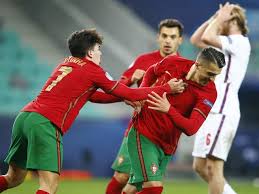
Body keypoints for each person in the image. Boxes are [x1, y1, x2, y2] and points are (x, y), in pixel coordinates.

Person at [0, 29, 181, 194]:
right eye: (99, 49)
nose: (100, 53)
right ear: (90, 52)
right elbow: (124, 92)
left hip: (24, 118)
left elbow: (96, 97)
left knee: (13, 178)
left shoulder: (66, 63)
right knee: (49, 185)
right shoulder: (92, 70)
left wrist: (126, 92)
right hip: (44, 122)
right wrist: (165, 88)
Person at [122, 47, 225, 194]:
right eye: (210, 74)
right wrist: (141, 94)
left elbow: (191, 128)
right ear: (197, 65)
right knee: (154, 188)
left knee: (133, 188)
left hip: (167, 145)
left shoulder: (209, 93)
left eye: (216, 75)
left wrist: (168, 109)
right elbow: (151, 71)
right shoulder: (173, 62)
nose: (213, 79)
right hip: (144, 132)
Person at [105, 19, 184, 194]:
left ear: (180, 40)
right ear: (158, 37)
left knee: (137, 185)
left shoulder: (185, 68)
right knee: (122, 177)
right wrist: (132, 78)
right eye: (164, 36)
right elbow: (120, 85)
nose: (168, 41)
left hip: (163, 134)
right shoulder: (144, 60)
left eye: (173, 37)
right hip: (139, 128)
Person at [190, 3, 250, 194]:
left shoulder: (239, 42)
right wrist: (215, 18)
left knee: (213, 168)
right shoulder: (224, 44)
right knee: (199, 166)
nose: (217, 20)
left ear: (232, 19)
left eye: (222, 16)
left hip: (224, 111)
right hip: (212, 110)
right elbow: (196, 40)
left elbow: (208, 36)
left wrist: (219, 20)